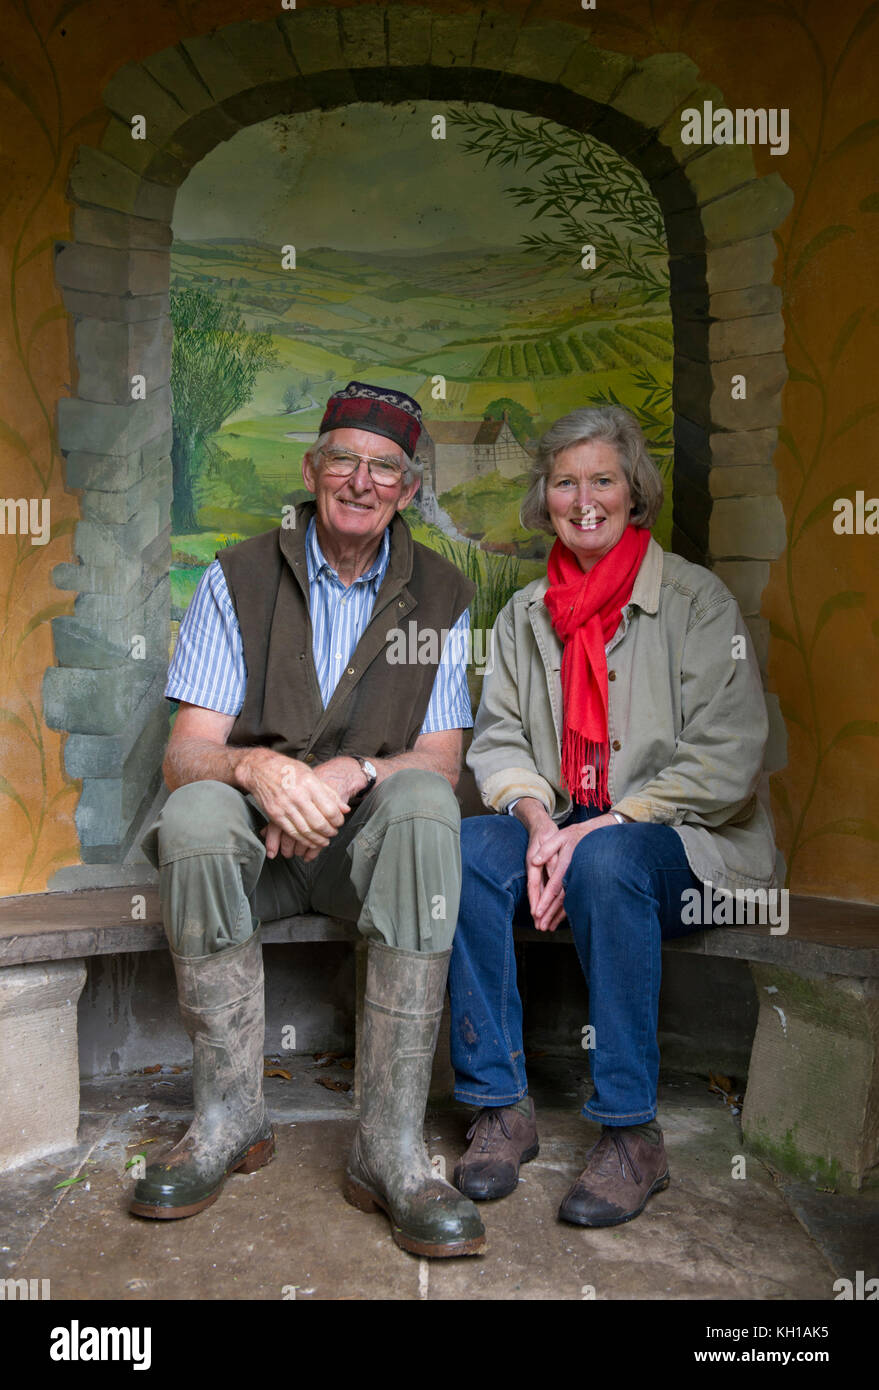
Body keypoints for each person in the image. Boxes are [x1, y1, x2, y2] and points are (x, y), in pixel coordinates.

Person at [132, 381, 485, 1258]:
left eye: (384, 468)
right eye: (343, 460)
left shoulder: (442, 594)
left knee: (423, 799)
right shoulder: (238, 576)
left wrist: (346, 772)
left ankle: (389, 1147)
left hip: (362, 856)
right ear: (311, 468)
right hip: (254, 853)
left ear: (407, 490)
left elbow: (441, 759)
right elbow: (185, 754)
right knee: (200, 809)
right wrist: (258, 768)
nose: (361, 481)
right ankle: (227, 1119)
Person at [449, 404, 777, 1228]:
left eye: (603, 479)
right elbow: (497, 740)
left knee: (608, 861)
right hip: (563, 826)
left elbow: (726, 763)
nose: (583, 498)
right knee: (459, 851)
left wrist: (603, 825)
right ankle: (498, 1104)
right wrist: (535, 823)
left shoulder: (696, 605)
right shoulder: (529, 615)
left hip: (687, 847)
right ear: (544, 498)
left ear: (635, 491)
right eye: (565, 482)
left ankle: (631, 1133)